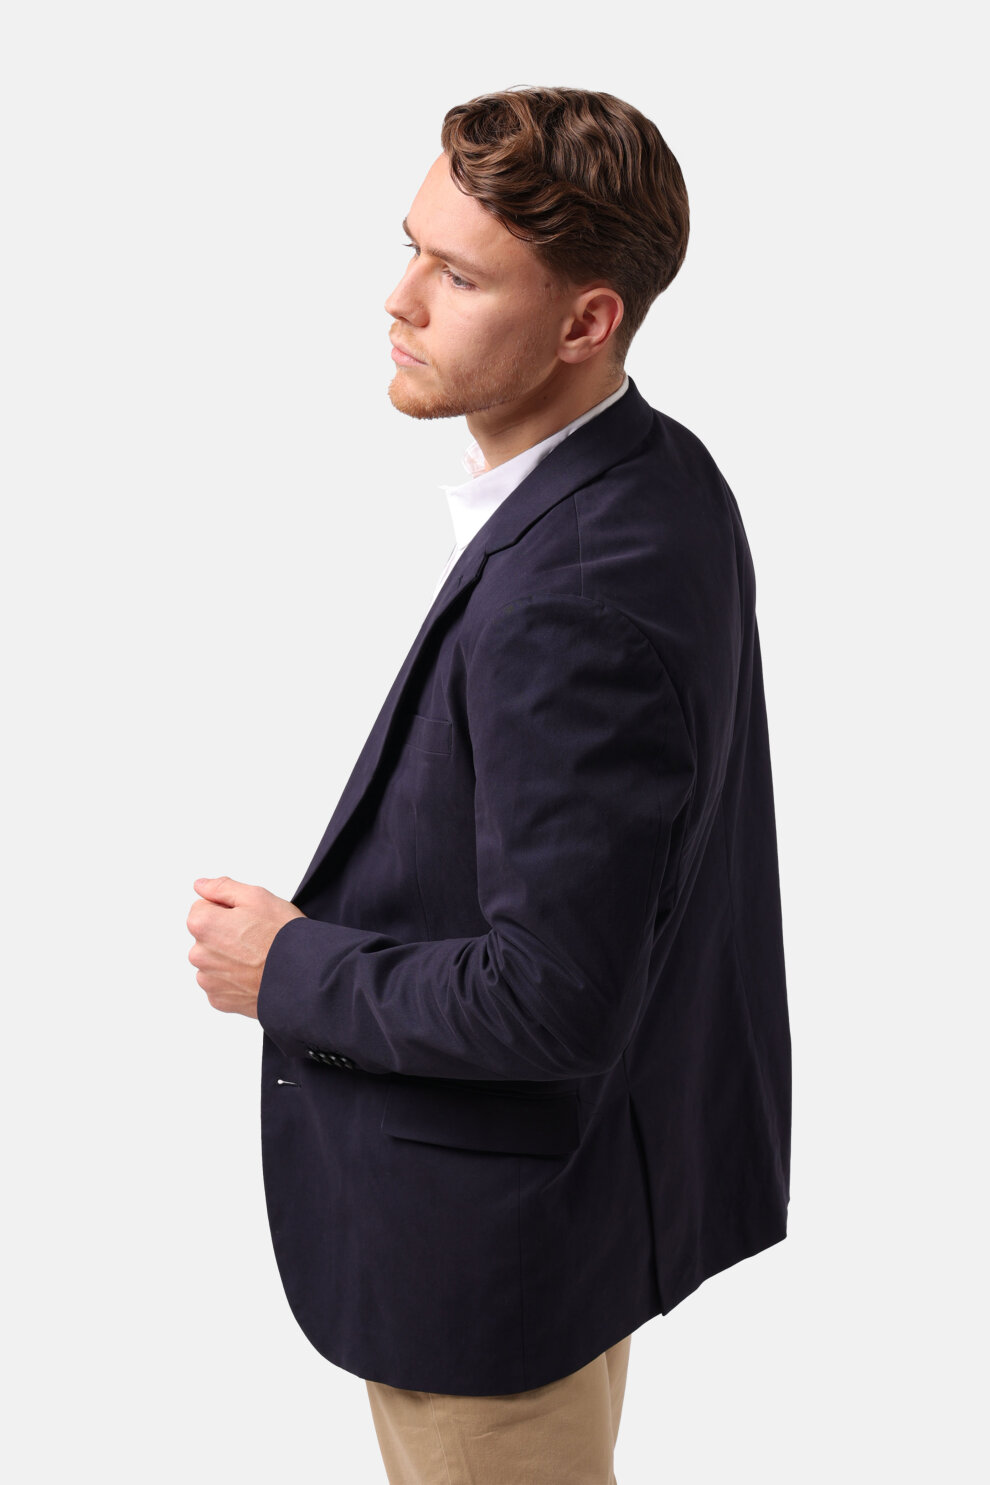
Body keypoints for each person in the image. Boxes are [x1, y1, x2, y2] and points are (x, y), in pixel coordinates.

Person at [186, 85, 792, 1485]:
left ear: (588, 322)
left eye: (457, 277)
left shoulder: (570, 596)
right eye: (409, 246)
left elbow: (552, 995)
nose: (398, 299)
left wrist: (284, 967)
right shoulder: (657, 472)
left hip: (491, 1267)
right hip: (576, 1199)